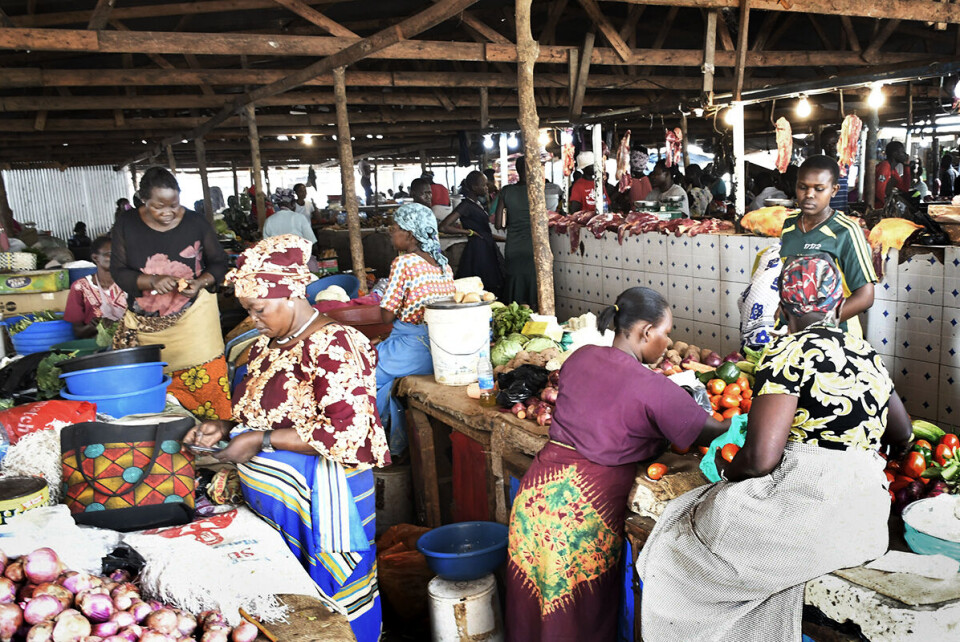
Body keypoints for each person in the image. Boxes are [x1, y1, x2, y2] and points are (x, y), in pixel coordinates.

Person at [638, 255, 912, 642]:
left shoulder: (786, 354)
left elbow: (761, 459)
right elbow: (903, 434)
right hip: (866, 525)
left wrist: (725, 470)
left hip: (807, 515)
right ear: (837, 306)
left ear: (782, 309)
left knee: (680, 544)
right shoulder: (869, 357)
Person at [187, 234, 389, 642]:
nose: (254, 319)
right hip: (281, 504)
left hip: (328, 500)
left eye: (259, 309)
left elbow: (348, 432)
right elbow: (260, 408)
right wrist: (226, 427)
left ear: (292, 295)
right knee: (294, 604)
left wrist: (261, 440)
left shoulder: (336, 343)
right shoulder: (266, 345)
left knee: (335, 603)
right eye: (249, 311)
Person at [506, 287, 729, 642]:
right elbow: (712, 429)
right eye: (666, 332)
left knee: (530, 612)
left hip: (535, 501)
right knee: (577, 621)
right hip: (579, 519)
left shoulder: (580, 357)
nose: (667, 340)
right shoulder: (651, 386)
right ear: (644, 332)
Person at [111, 166, 231, 420]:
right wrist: (151, 280)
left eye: (174, 204)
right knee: (155, 393)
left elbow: (219, 262)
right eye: (158, 206)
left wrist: (201, 283)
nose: (168, 212)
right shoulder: (127, 225)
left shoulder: (196, 223)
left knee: (208, 385)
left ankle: (215, 436)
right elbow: (119, 271)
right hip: (147, 326)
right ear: (143, 200)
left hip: (196, 320)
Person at [377, 203, 455, 456]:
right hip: (438, 350)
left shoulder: (404, 263)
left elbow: (386, 315)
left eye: (394, 229)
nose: (391, 234)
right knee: (384, 385)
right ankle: (395, 445)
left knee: (358, 377)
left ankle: (371, 444)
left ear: (410, 235)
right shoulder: (443, 264)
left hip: (410, 348)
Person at [780, 155, 876, 338]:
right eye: (803, 187)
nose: (809, 194)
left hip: (836, 333)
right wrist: (783, 314)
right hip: (792, 334)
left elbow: (865, 296)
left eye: (819, 189)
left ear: (834, 190)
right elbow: (789, 278)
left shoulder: (845, 231)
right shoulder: (789, 226)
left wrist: (821, 326)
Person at [440, 171, 504, 297]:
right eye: (484, 185)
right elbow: (443, 226)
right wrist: (468, 232)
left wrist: (505, 239)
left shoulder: (476, 204)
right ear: (475, 187)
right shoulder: (466, 205)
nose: (487, 187)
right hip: (479, 250)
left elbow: (484, 232)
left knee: (489, 287)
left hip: (487, 246)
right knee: (482, 286)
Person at [63, 236, 128, 339]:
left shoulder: (130, 284)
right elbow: (78, 332)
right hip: (96, 347)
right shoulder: (80, 287)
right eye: (110, 254)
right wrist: (93, 326)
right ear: (95, 258)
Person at [495, 157, 537, 307]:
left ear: (518, 170)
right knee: (533, 284)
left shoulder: (506, 191)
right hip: (533, 246)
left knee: (514, 286)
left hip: (513, 246)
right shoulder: (536, 190)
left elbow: (498, 224)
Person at [822, 127, 850, 214]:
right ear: (822, 146)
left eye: (834, 143)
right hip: (826, 214)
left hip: (843, 212)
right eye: (828, 145)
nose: (832, 147)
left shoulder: (845, 164)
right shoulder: (820, 166)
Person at [875, 140, 910, 208]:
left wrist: (906, 166)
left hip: (881, 206)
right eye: (902, 152)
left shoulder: (893, 170)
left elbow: (905, 188)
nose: (905, 154)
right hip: (876, 206)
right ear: (894, 154)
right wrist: (886, 208)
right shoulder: (884, 167)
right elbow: (879, 191)